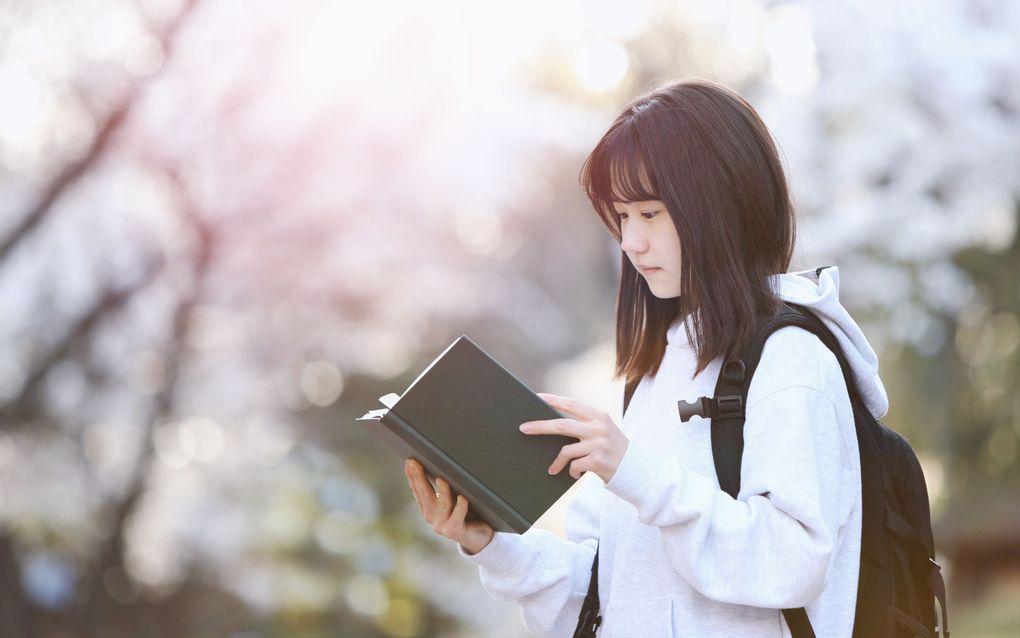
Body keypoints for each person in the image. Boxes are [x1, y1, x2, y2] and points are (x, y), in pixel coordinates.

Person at [404, 78, 884, 637]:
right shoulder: (657, 372)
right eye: (622, 217)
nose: (630, 242)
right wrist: (491, 544)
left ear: (719, 207)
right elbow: (605, 598)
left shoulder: (790, 362)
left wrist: (634, 472)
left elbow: (793, 563)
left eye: (649, 214)